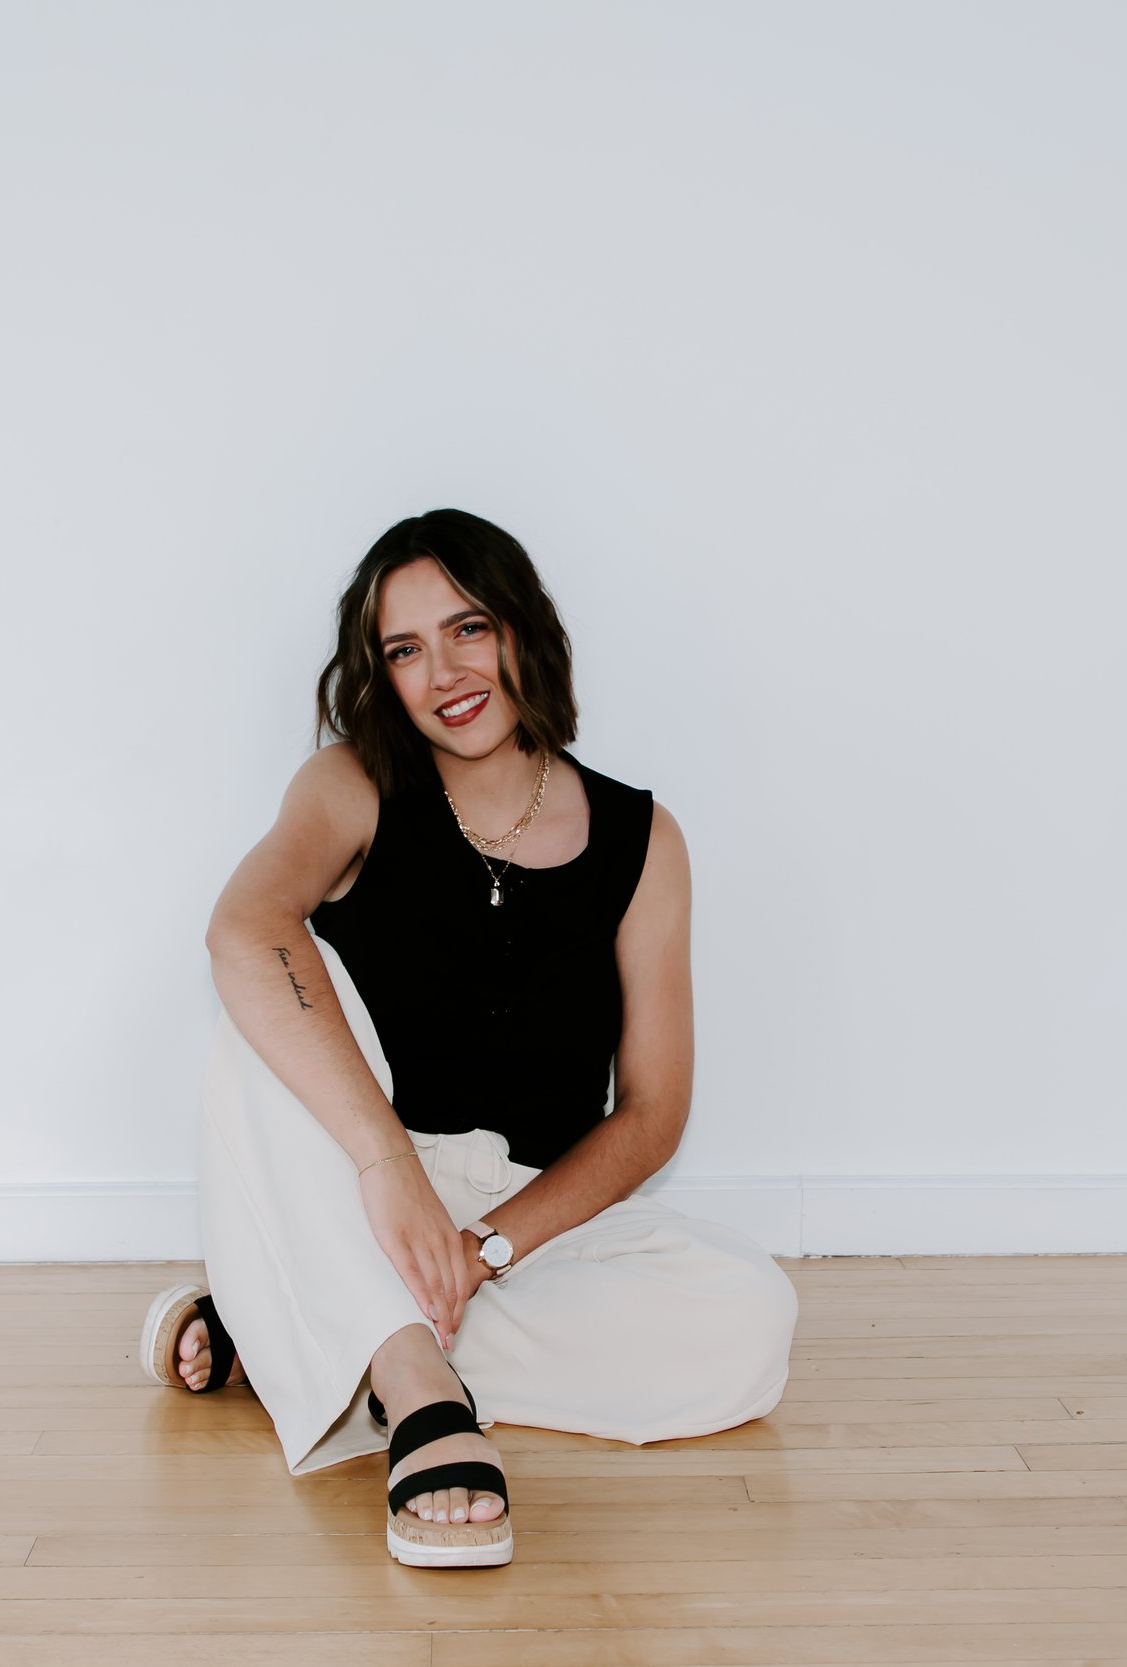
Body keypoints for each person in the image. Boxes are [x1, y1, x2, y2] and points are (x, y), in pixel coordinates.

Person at [140, 508, 798, 1568]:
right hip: (359, 1182)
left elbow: (652, 1112)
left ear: (521, 628)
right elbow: (244, 926)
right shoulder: (352, 784)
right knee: (261, 1000)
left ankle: (302, 1323)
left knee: (750, 1320)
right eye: (403, 649)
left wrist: (489, 1247)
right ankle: (418, 1393)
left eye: (467, 627)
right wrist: (385, 1161)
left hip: (526, 1224)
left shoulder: (643, 838)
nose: (442, 669)